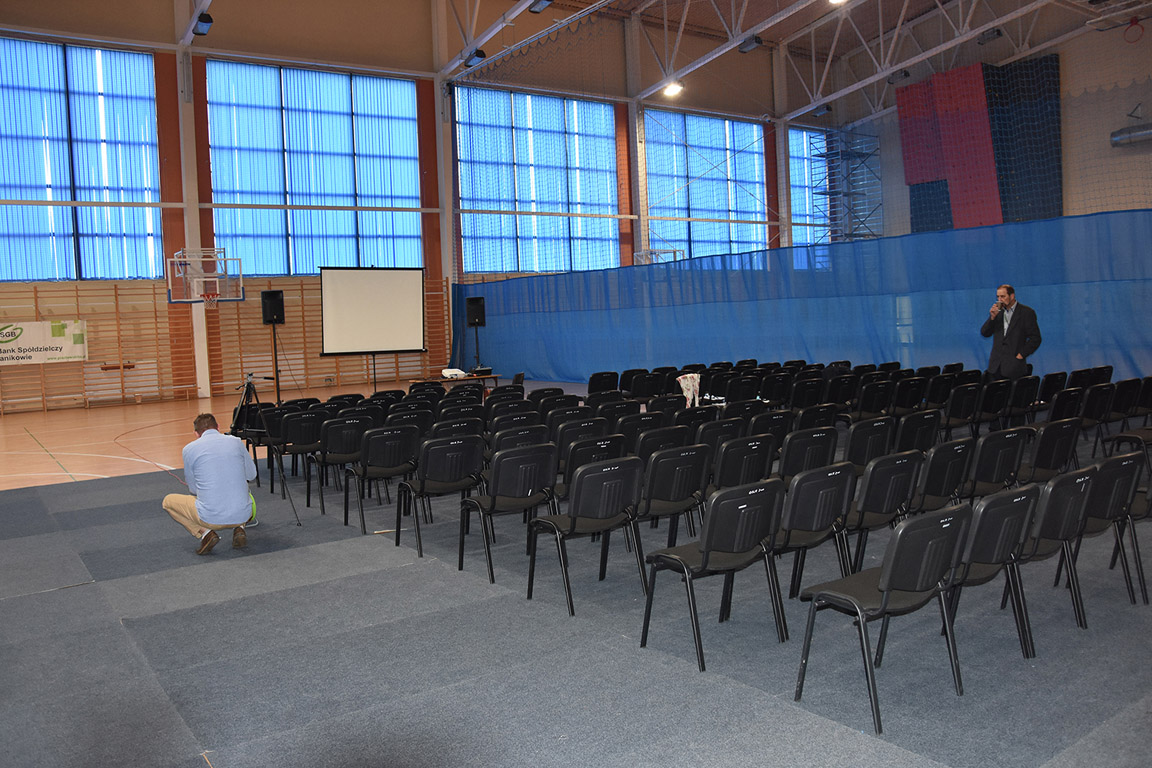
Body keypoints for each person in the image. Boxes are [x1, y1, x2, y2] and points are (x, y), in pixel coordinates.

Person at [163, 413, 257, 555]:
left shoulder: (189, 449)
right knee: (240, 491)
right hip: (244, 514)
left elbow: (193, 489)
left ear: (196, 434)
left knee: (167, 502)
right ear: (218, 427)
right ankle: (239, 528)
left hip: (211, 518)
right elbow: (251, 475)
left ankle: (206, 533)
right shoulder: (236, 442)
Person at [980, 284, 1041, 380]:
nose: (999, 300)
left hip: (1014, 367)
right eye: (998, 297)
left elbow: (1036, 338)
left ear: (1012, 296)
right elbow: (985, 333)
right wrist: (992, 318)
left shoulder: (1026, 313)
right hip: (995, 367)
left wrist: (1021, 355)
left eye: (1003, 296)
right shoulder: (998, 312)